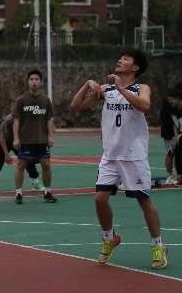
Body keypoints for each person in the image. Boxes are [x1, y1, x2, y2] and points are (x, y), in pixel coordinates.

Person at [70, 49, 169, 270]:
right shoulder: (106, 90)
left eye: (126, 59)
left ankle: (158, 245)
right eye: (120, 58)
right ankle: (110, 237)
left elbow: (145, 105)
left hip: (133, 156)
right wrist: (87, 85)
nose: (120, 60)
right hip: (111, 155)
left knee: (144, 201)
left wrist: (120, 88)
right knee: (99, 198)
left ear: (135, 67)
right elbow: (76, 106)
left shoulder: (141, 88)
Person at [12, 70, 57, 204]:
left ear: (41, 82)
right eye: (31, 79)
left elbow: (49, 120)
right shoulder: (21, 100)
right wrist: (16, 138)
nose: (34, 82)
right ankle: (18, 193)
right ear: (28, 82)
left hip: (42, 140)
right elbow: (16, 120)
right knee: (21, 165)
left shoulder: (46, 100)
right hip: (26, 140)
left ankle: (47, 192)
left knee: (46, 165)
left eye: (37, 79)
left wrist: (51, 136)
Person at [0, 109, 41, 195]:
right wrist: (6, 154)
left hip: (18, 141)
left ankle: (36, 183)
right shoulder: (7, 122)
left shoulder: (27, 120)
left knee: (28, 159)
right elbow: (2, 137)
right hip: (5, 141)